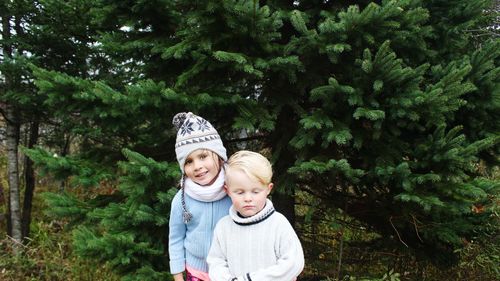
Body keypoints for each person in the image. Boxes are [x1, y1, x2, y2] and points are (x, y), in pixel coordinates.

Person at [207, 150, 305, 281]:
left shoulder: (278, 224)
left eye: (255, 191)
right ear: (228, 191)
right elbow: (216, 263)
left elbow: (294, 262)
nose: (248, 198)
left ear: (268, 189)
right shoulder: (223, 227)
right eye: (240, 192)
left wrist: (251, 279)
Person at [169, 112, 232, 281]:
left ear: (219, 157)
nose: (197, 166)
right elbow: (175, 239)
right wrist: (178, 276)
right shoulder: (181, 200)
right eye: (189, 161)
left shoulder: (234, 193)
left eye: (203, 156)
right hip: (196, 273)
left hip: (230, 272)